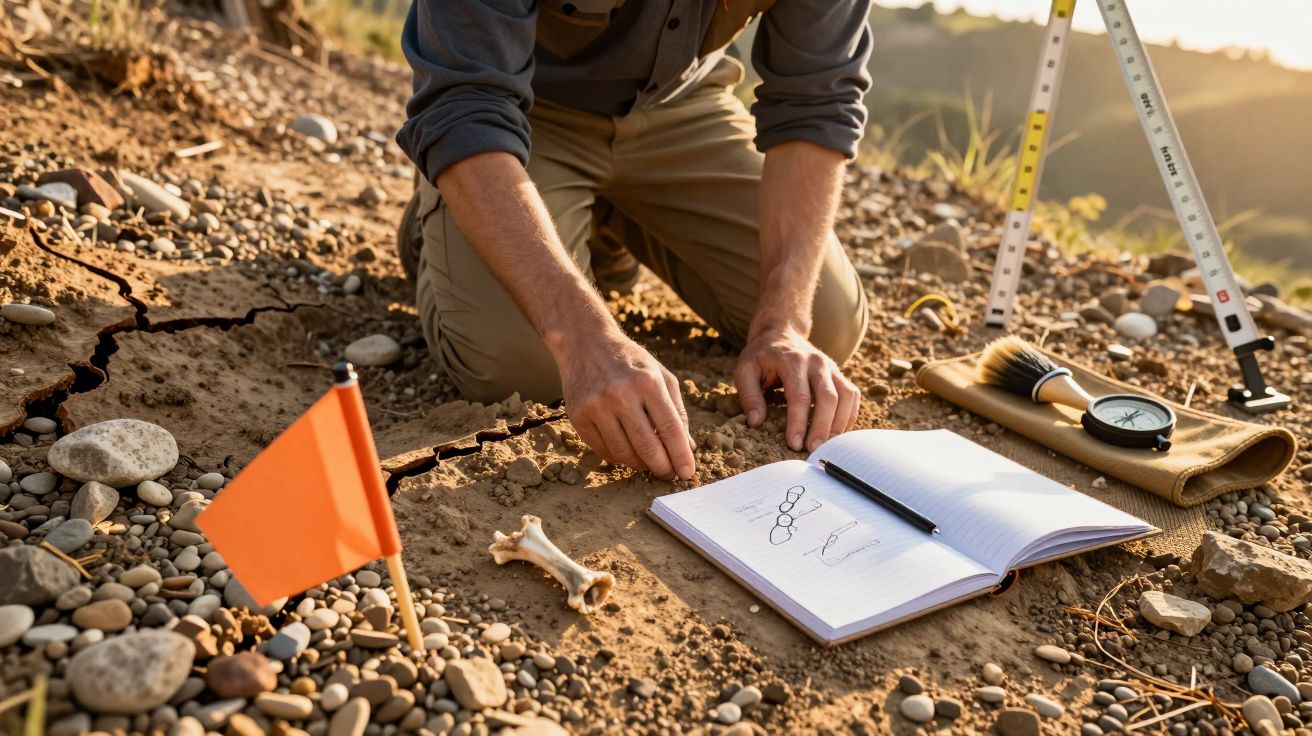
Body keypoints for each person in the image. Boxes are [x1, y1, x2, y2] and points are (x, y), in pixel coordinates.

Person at [395, 0, 873, 482]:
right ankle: (447, 216)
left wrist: (783, 322)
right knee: (528, 368)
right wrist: (582, 336)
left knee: (825, 323)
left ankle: (600, 221)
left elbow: (817, 102)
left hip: (679, 103)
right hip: (521, 114)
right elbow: (465, 109)